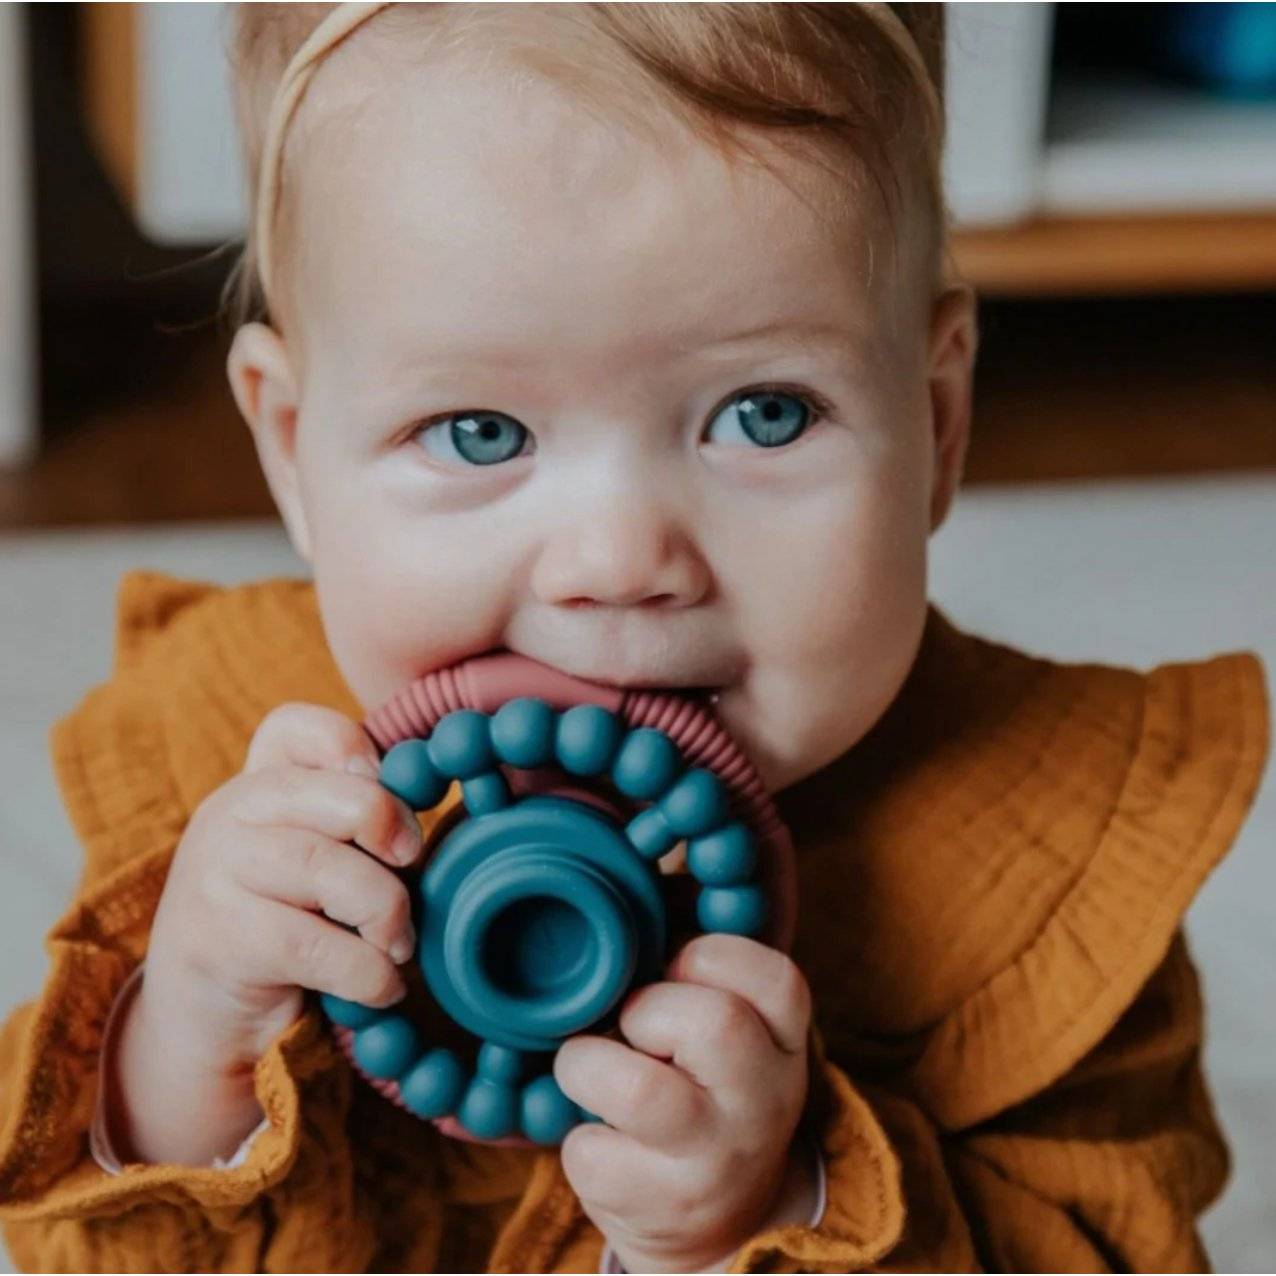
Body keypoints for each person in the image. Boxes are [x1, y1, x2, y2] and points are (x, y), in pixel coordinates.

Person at [0, 3, 1268, 1271]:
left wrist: (764, 1212)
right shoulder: (228, 798)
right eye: (480, 431)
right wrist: (180, 1052)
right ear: (293, 451)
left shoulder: (1056, 862)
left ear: (935, 424)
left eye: (764, 413)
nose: (619, 563)